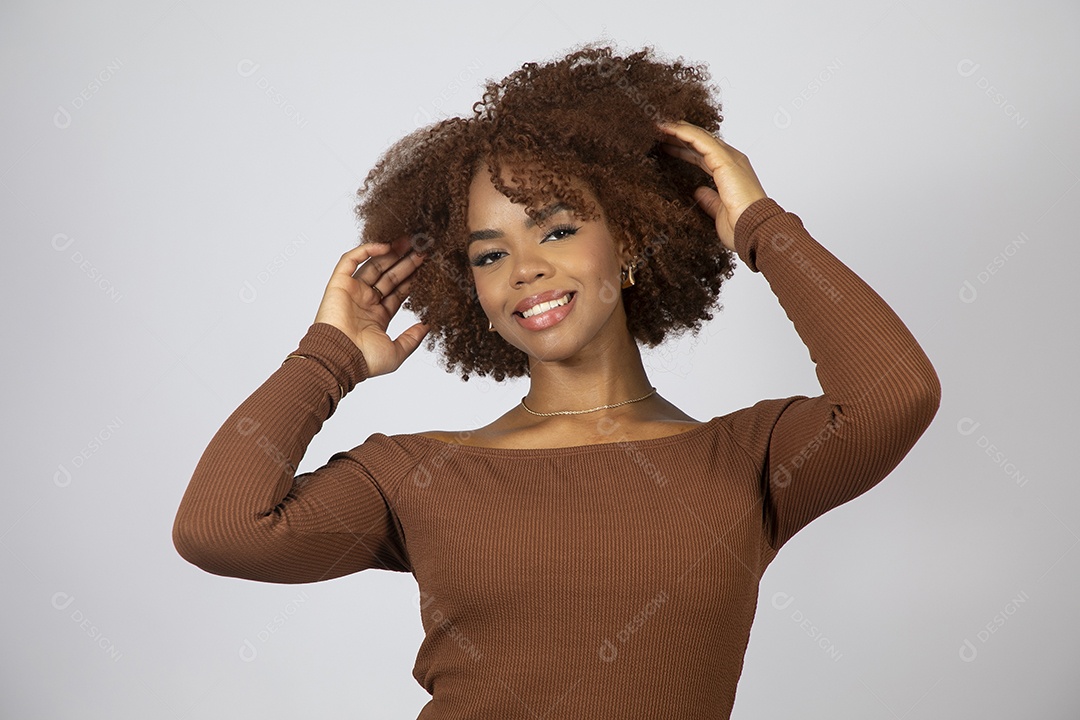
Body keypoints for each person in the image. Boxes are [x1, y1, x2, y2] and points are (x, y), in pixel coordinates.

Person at [173, 44, 941, 719]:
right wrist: (329, 357)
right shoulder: (417, 474)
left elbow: (894, 395)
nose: (526, 268)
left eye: (559, 229)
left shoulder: (747, 461)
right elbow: (220, 528)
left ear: (629, 241)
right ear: (472, 290)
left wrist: (764, 228)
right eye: (489, 254)